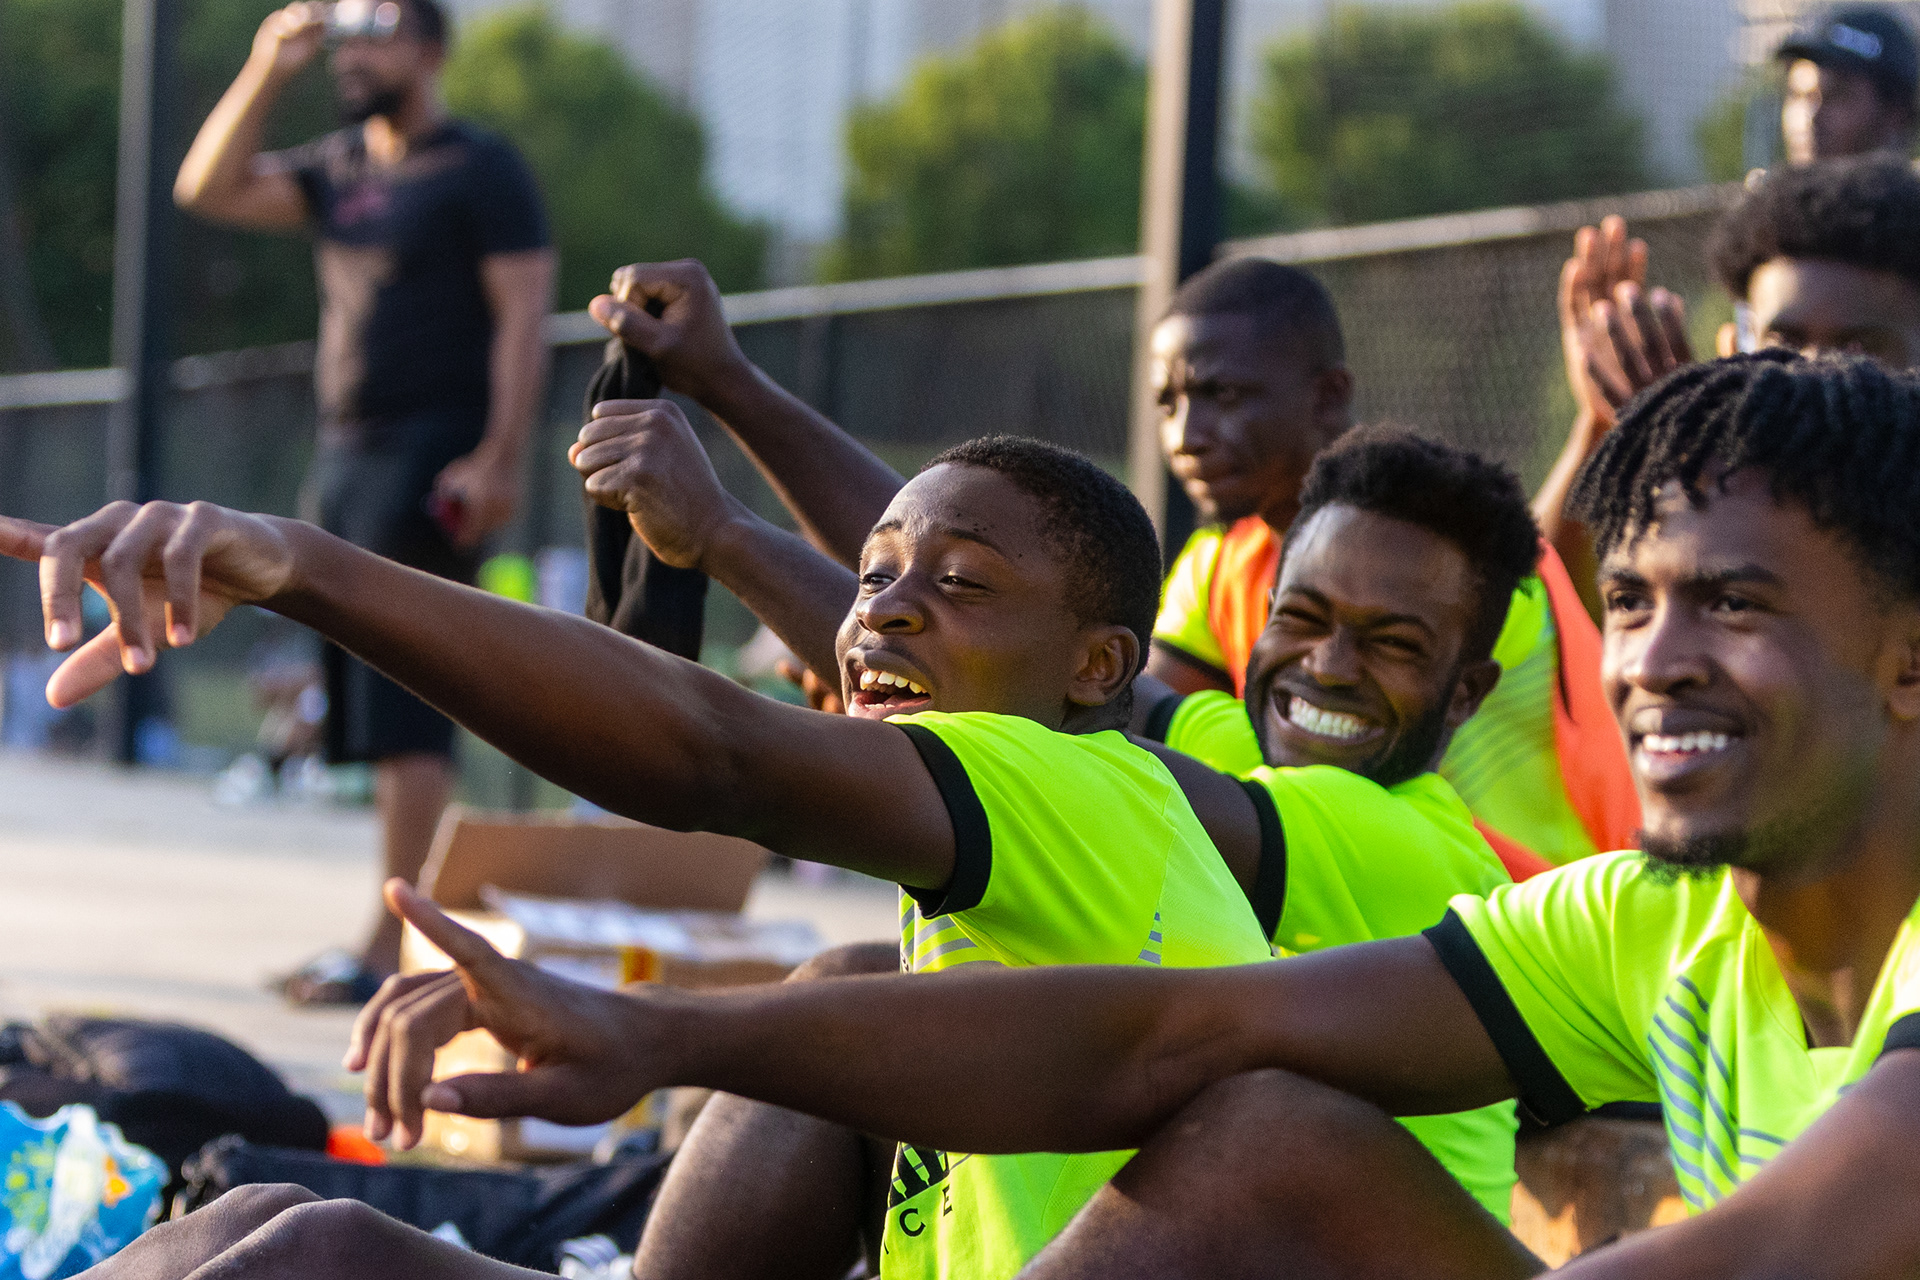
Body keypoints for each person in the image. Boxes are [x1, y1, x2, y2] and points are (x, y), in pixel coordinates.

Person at [172, 349, 1920, 1280]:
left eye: (1738, 607)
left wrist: (303, 567)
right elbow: (1170, 1029)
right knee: (873, 997)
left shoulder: (1338, 828)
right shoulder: (1643, 920)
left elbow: (718, 752)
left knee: (1263, 1143)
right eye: (1632, 605)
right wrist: (656, 1032)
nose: (1658, 663)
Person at [2, 419, 1543, 1277]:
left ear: (1099, 667)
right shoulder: (1122, 778)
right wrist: (741, 497)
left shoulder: (1127, 794)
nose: (880, 611)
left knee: (313, 1260)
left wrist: (305, 568)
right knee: (279, 1221)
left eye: (954, 585)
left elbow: (718, 749)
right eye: (874, 584)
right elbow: (836, 706)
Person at [171, 0, 555, 1002]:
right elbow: (205, 185)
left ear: (428, 50)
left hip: (434, 457)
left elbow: (524, 316)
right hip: (345, 454)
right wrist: (269, 64)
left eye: (378, 36)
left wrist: (499, 454)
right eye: (347, 40)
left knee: (406, 710)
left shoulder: (479, 167)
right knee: (356, 701)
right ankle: (388, 932)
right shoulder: (339, 167)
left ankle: (392, 949)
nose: (354, 58)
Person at [1135, 257, 1635, 867]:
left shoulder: (1472, 577)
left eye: (1225, 395)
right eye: (1167, 403)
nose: (1187, 434)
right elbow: (1136, 717)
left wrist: (1599, 432)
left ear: (1329, 394)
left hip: (1528, 917)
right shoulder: (1218, 565)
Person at [1539, 156, 1920, 601]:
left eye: (1859, 348)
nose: (1818, 371)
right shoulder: (1715, 486)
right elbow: (1530, 616)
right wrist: (1612, 431)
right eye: (1786, 342)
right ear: (1738, 349)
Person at [1778, 4, 1918, 167]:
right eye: (1798, 95)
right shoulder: (1762, 191)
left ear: (1894, 115)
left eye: (1837, 95)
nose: (1811, 115)